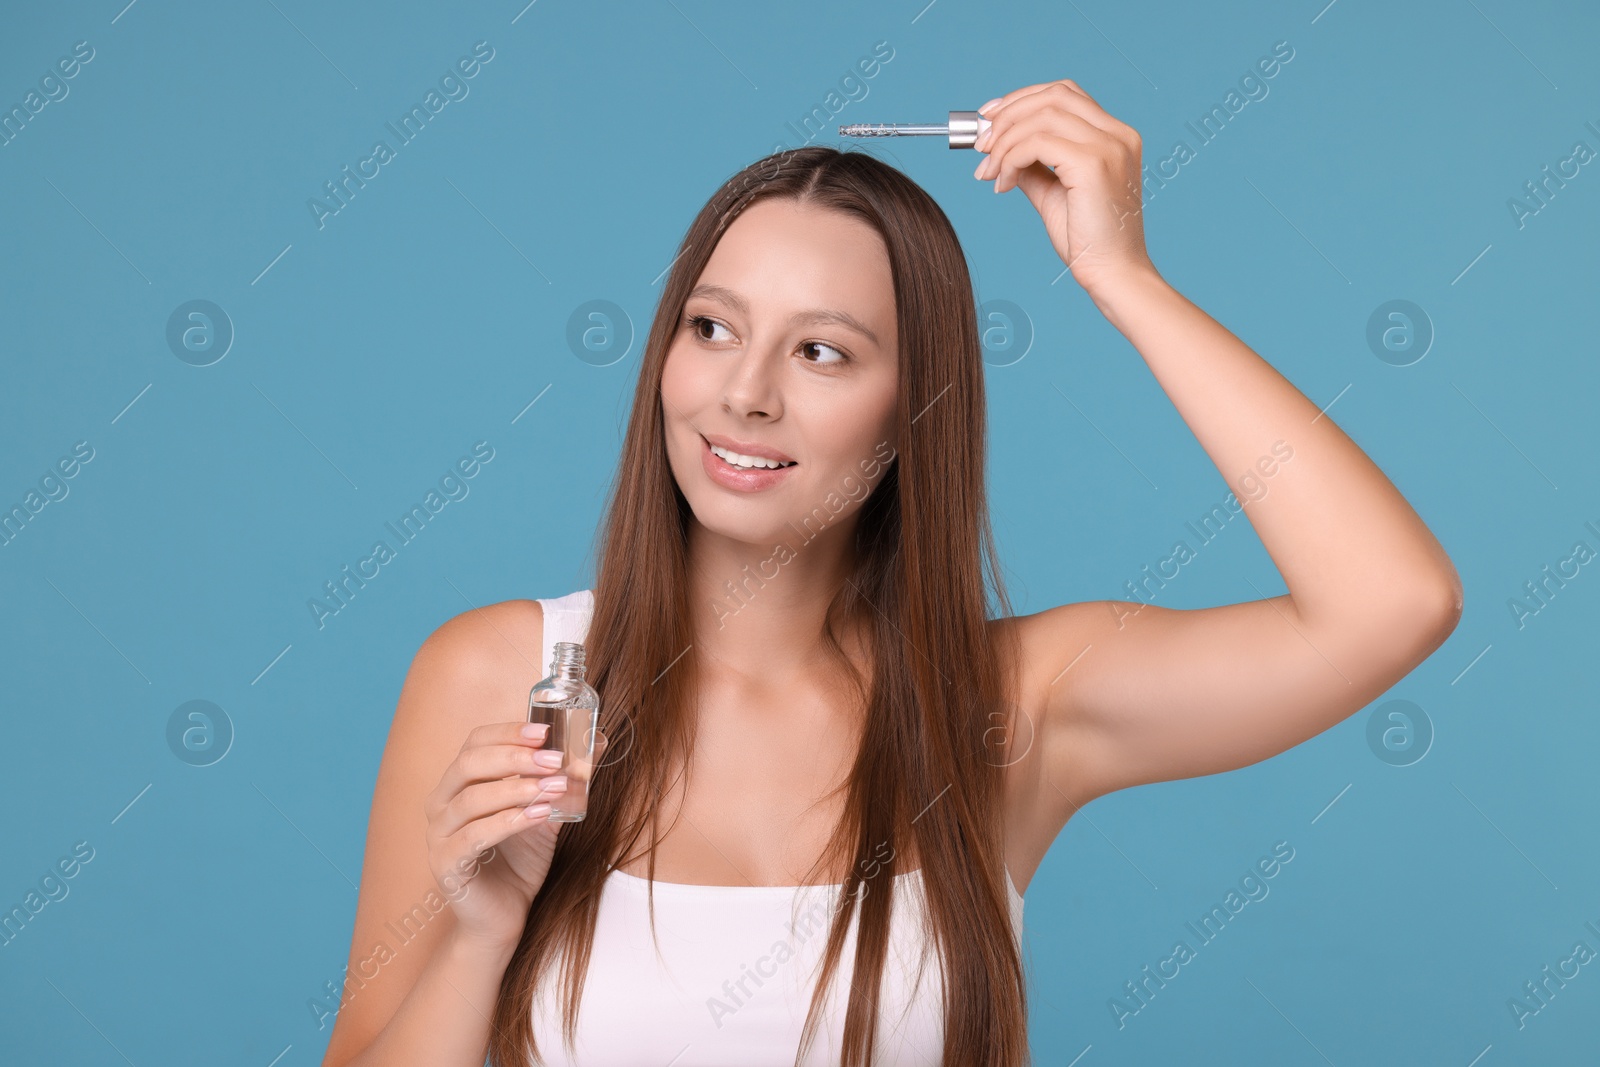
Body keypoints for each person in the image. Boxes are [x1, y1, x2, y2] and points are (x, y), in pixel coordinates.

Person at [320, 78, 1462, 1067]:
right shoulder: (510, 677)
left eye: (822, 350)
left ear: (915, 410)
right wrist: (480, 932)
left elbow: (1389, 604)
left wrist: (1122, 277)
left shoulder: (1008, 706)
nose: (745, 392)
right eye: (712, 327)